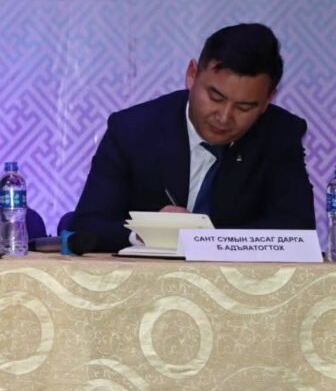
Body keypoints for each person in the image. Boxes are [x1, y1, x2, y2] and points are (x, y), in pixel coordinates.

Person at [70, 22, 315, 253]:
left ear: (267, 100)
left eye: (244, 107)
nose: (224, 117)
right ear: (192, 74)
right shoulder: (133, 130)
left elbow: (298, 230)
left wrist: (205, 239)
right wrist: (146, 234)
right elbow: (87, 224)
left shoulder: (280, 134)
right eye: (215, 97)